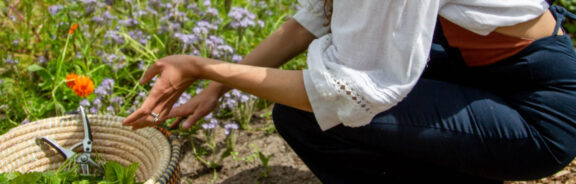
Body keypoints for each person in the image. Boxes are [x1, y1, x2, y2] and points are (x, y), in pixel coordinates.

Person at [123, 0, 576, 183]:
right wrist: (216, 87)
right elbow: (308, 23)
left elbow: (348, 93)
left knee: (313, 115)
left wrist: (202, 66)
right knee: (302, 111)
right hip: (479, 73)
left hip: (538, 109)